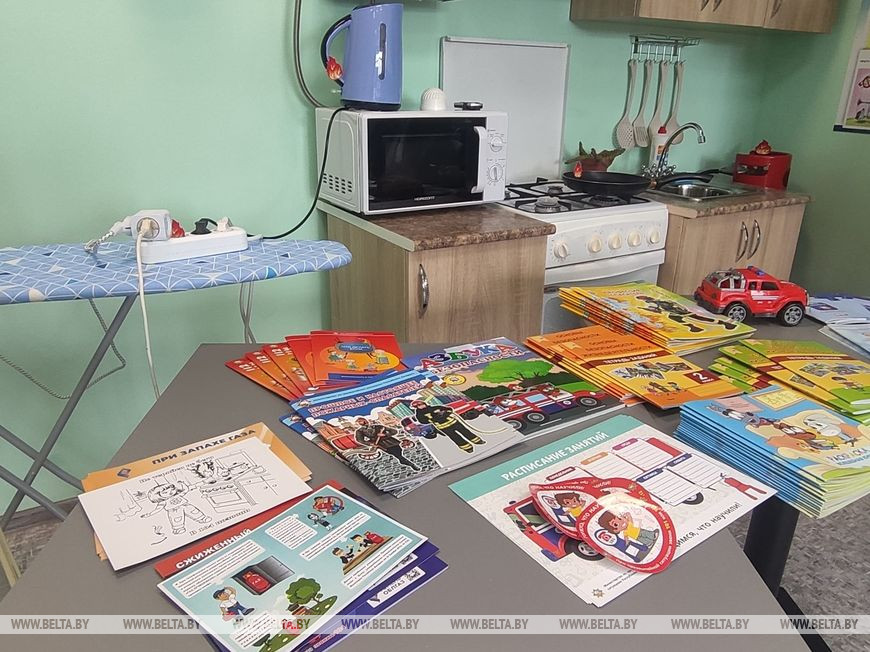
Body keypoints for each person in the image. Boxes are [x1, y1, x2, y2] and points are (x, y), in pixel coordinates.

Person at [411, 401, 485, 453]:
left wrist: (444, 413)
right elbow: (423, 421)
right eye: (418, 406)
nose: (421, 406)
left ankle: (478, 441)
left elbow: (449, 409)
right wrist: (434, 419)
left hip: (454, 422)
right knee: (455, 437)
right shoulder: (419, 415)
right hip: (444, 427)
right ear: (416, 408)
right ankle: (467, 448)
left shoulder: (435, 407)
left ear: (425, 404)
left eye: (421, 404)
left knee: (466, 432)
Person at [140, 481, 211, 535]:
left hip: (185, 505)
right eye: (165, 493)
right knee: (177, 519)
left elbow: (185, 490)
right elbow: (158, 509)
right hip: (174, 511)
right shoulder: (163, 502)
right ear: (157, 496)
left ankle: (202, 518)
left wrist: (183, 484)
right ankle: (178, 528)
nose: (170, 493)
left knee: (194, 512)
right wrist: (149, 514)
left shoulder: (177, 495)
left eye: (172, 490)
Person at [636, 295, 736, 332]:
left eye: (643, 298)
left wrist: (681, 308)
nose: (644, 300)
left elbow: (672, 303)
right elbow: (658, 310)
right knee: (675, 318)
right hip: (673, 312)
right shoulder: (653, 303)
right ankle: (692, 327)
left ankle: (724, 323)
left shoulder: (659, 300)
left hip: (678, 310)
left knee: (700, 318)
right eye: (642, 299)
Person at [353, 417, 419, 470]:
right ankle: (411, 464)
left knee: (398, 453)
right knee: (395, 454)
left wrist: (384, 434)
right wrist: (370, 444)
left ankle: (402, 461)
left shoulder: (378, 426)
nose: (364, 422)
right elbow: (360, 440)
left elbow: (394, 431)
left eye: (363, 421)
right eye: (360, 422)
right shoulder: (359, 431)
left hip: (391, 441)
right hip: (381, 444)